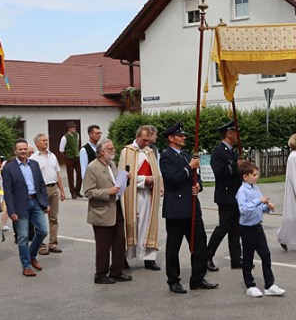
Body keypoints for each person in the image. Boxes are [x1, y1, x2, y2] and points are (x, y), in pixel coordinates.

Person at [158, 122, 217, 294]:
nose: (184, 138)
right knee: (173, 247)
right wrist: (189, 168)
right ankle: (173, 280)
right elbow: (172, 179)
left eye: (184, 135)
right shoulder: (167, 157)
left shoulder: (185, 155)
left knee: (199, 243)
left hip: (192, 206)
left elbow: (196, 178)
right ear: (171, 138)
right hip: (176, 208)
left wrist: (198, 186)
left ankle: (198, 278)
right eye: (180, 135)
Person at [83, 138, 132, 284]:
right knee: (103, 246)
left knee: (119, 242)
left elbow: (116, 184)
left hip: (116, 208)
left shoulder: (112, 164)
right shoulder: (93, 167)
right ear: (102, 152)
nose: (113, 151)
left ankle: (117, 271)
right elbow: (88, 192)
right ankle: (100, 274)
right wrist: (107, 192)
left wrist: (125, 180)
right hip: (101, 211)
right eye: (110, 149)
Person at [236, 161, 285, 298]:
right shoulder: (242, 191)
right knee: (248, 257)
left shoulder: (255, 189)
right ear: (245, 177)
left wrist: (266, 208)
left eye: (257, 174)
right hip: (247, 229)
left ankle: (269, 285)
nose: (257, 177)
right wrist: (259, 201)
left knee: (266, 255)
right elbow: (243, 209)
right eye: (254, 174)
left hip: (258, 227)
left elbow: (258, 208)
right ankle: (250, 285)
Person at [2, 139, 50, 277]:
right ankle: (26, 265)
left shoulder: (34, 164)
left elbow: (41, 185)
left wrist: (45, 202)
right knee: (23, 237)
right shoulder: (8, 169)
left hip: (36, 202)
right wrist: (11, 211)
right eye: (20, 149)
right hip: (20, 206)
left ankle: (32, 255)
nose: (23, 151)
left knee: (42, 231)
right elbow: (8, 192)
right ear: (15, 151)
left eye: (25, 149)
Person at [119, 125, 162, 270]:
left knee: (148, 225)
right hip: (133, 195)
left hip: (148, 195)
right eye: (144, 140)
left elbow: (157, 172)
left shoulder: (150, 152)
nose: (146, 143)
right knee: (131, 225)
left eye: (148, 140)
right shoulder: (127, 152)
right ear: (137, 137)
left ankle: (149, 258)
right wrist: (144, 180)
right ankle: (123, 257)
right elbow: (123, 176)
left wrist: (158, 183)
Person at [207, 120, 244, 270]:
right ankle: (207, 256)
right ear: (229, 134)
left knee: (236, 229)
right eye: (236, 132)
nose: (238, 135)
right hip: (226, 195)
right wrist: (236, 166)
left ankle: (236, 259)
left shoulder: (232, 151)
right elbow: (220, 172)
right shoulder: (218, 152)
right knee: (223, 228)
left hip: (235, 195)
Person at [31, 133, 65, 255]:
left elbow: (58, 173)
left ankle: (53, 243)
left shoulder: (53, 156)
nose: (46, 142)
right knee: (39, 218)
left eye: (46, 140)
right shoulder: (34, 158)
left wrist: (61, 190)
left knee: (54, 218)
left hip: (53, 187)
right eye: (43, 140)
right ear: (37, 143)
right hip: (41, 190)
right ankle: (40, 245)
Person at [59, 122, 83, 199]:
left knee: (80, 174)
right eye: (73, 127)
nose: (74, 128)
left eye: (74, 127)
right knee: (70, 175)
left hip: (76, 156)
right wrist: (67, 156)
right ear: (69, 128)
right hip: (69, 158)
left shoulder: (77, 135)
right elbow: (61, 149)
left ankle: (77, 190)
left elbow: (77, 145)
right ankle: (72, 192)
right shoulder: (65, 137)